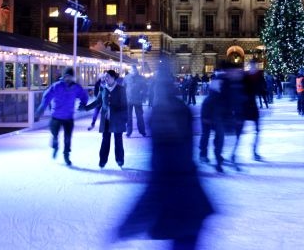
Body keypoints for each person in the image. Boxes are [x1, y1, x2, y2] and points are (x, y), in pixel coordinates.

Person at [117, 64, 214, 248]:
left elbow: (159, 181)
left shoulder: (164, 119)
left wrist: (130, 224)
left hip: (180, 209)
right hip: (192, 206)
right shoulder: (181, 110)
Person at [34, 66, 89, 166]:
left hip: (68, 117)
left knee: (67, 138)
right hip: (56, 116)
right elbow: (46, 97)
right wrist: (40, 109)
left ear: (73, 77)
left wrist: (83, 104)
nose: (68, 79)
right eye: (66, 76)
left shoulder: (76, 87)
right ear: (64, 76)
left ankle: (66, 155)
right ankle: (55, 146)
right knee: (54, 134)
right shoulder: (57, 86)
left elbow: (84, 96)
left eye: (70, 76)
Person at [84, 70, 128, 168]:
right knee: (105, 140)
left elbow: (124, 105)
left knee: (118, 140)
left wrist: (125, 119)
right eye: (105, 77)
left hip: (117, 119)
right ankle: (103, 160)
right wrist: (86, 108)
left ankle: (120, 159)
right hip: (106, 120)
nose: (105, 78)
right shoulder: (103, 89)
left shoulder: (120, 89)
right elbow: (98, 102)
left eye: (107, 76)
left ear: (113, 78)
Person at [123, 65, 148, 137]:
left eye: (134, 70)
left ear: (136, 71)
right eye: (132, 70)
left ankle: (142, 131)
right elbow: (123, 88)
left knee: (140, 116)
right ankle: (128, 132)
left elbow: (145, 88)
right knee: (128, 117)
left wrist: (143, 96)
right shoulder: (126, 78)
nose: (133, 72)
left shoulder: (141, 78)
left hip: (138, 100)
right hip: (128, 100)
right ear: (130, 71)